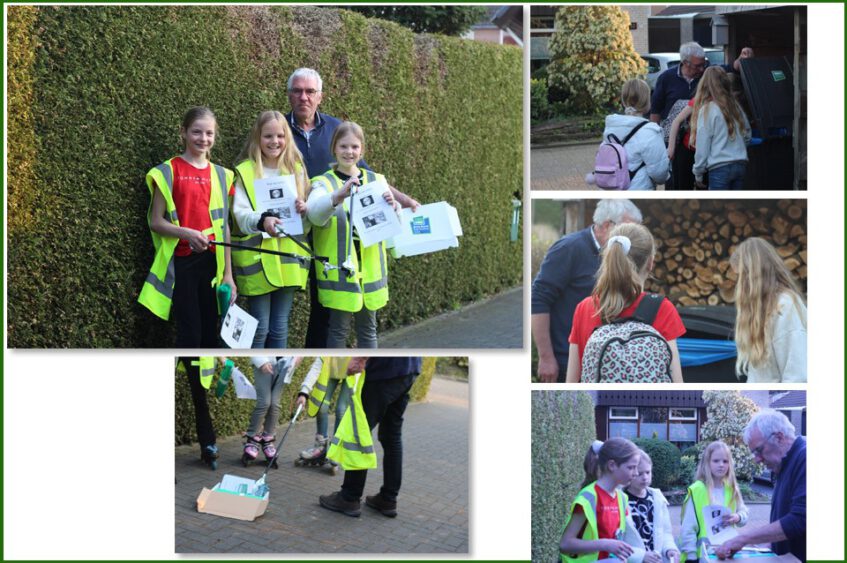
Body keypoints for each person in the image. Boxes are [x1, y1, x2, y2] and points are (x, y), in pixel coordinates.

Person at [285, 68, 419, 348]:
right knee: (288, 308)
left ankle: (318, 356)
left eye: (310, 91)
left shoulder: (336, 127)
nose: (304, 97)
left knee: (330, 316)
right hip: (293, 227)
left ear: (320, 96)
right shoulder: (278, 129)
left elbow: (371, 180)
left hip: (332, 236)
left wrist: (402, 200)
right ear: (289, 95)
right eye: (297, 91)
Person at [139, 106, 236, 347]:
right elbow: (156, 221)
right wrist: (187, 234)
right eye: (197, 132)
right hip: (182, 262)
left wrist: (229, 276)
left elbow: (225, 228)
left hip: (213, 264)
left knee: (209, 338)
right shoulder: (168, 171)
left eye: (209, 133)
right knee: (190, 336)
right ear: (183, 132)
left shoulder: (224, 175)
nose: (204, 139)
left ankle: (202, 386)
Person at [307, 121, 401, 348]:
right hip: (341, 273)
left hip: (370, 273)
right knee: (337, 331)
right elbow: (315, 215)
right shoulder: (323, 182)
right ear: (334, 149)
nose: (349, 152)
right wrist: (339, 195)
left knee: (368, 331)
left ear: (362, 150)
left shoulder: (376, 180)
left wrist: (394, 206)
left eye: (354, 147)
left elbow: (395, 225)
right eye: (343, 147)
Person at [531, 200, 643, 383]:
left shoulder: (622, 255)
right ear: (608, 225)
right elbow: (538, 300)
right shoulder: (569, 249)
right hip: (567, 360)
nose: (631, 239)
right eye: (628, 231)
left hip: (603, 361)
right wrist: (546, 358)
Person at [566, 223, 685, 383]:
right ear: (650, 263)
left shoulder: (585, 308)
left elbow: (572, 382)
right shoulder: (662, 309)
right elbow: (676, 383)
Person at [231, 110, 310, 348]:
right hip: (258, 261)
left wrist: (304, 208)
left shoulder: (297, 169)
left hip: (288, 261)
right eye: (268, 136)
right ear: (258, 137)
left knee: (279, 327)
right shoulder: (245, 171)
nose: (274, 142)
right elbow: (239, 214)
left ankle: (277, 375)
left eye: (280, 136)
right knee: (260, 326)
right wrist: (261, 220)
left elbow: (308, 220)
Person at [319, 356, 422, 518]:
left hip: (384, 370)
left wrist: (360, 358)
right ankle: (388, 498)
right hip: (410, 368)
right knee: (391, 435)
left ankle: (349, 497)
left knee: (360, 431)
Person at [650, 43, 753, 189]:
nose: (701, 68)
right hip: (683, 147)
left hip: (708, 152)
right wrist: (662, 144)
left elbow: (731, 68)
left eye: (703, 64)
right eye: (698, 65)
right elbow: (656, 111)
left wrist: (741, 58)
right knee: (680, 187)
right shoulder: (666, 78)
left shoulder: (708, 74)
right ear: (685, 63)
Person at [715, 410, 806, 562]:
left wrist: (744, 539)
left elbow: (801, 519)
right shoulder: (783, 464)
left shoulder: (805, 458)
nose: (757, 459)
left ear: (779, 437)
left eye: (758, 450)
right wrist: (771, 545)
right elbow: (788, 523)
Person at [731, 238, 807, 382]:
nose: (737, 286)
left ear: (751, 276)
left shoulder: (785, 306)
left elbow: (797, 376)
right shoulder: (763, 310)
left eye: (740, 277)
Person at [558, 438, 642, 563]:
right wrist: (604, 544)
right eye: (631, 467)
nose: (636, 473)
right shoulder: (588, 498)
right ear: (612, 465)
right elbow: (565, 544)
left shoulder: (622, 498)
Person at [679, 441, 749, 562]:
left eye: (725, 461)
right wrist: (691, 557)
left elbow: (744, 514)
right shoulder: (697, 490)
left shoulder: (732, 489)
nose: (721, 465)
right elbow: (688, 528)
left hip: (727, 554)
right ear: (707, 463)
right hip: (702, 556)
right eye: (716, 461)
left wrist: (738, 517)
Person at [601, 79, 669, 190]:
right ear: (647, 101)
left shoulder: (611, 128)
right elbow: (659, 174)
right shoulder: (650, 132)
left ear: (623, 101)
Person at [690, 67, 752, 190]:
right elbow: (747, 135)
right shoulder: (736, 106)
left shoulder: (707, 110)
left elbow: (702, 146)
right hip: (740, 164)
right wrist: (737, 149)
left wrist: (698, 174)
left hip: (719, 168)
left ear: (705, 85)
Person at [294, 357, 353, 470]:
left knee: (341, 410)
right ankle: (320, 446)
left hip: (351, 371)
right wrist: (304, 392)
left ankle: (335, 450)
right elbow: (315, 369)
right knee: (322, 407)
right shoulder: (327, 350)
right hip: (333, 372)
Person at [241, 356, 301, 466]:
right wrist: (259, 360)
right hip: (265, 358)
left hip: (287, 361)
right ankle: (252, 437)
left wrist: (298, 356)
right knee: (264, 402)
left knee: (274, 404)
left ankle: (268, 439)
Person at [625, 450, 680, 563]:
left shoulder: (657, 498)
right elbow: (617, 539)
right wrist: (640, 556)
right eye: (640, 473)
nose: (645, 477)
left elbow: (665, 532)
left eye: (648, 472)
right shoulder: (620, 500)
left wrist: (670, 549)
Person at [178, 356, 225, 469]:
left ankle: (207, 444)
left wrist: (222, 357)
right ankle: (207, 444)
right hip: (191, 357)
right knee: (200, 403)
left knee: (200, 403)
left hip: (197, 360)